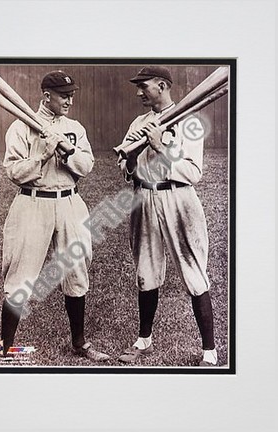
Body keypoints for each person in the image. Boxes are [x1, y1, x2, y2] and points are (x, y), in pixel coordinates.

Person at [0, 70, 109, 362]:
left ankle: (79, 343)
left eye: (72, 95)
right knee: (20, 275)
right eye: (64, 95)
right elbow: (13, 172)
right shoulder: (21, 127)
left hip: (70, 202)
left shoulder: (74, 127)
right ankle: (6, 348)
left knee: (76, 271)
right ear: (46, 95)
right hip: (33, 203)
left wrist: (68, 152)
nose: (70, 100)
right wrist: (42, 155)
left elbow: (87, 166)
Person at [117, 66, 218, 366]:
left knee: (193, 271)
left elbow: (193, 171)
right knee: (145, 271)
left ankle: (209, 352)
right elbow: (127, 172)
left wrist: (160, 147)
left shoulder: (191, 120)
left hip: (178, 197)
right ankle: (143, 341)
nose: (138, 92)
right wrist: (132, 157)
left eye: (143, 86)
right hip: (144, 196)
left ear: (161, 86)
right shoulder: (139, 122)